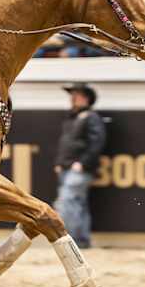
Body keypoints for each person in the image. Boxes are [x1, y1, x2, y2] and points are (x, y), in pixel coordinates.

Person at [54, 83, 106, 249]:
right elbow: (68, 143)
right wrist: (60, 163)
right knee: (77, 203)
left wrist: (83, 163)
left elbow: (97, 143)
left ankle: (73, 240)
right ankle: (81, 240)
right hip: (68, 167)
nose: (73, 98)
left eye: (77, 95)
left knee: (68, 200)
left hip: (79, 169)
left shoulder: (91, 117)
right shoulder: (73, 117)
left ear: (87, 99)